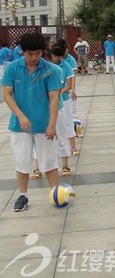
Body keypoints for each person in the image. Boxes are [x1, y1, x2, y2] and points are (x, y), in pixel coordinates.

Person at [2, 32, 63, 212]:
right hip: (20, 126)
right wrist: (20, 115)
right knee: (22, 161)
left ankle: (55, 193)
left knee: (49, 160)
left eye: (37, 53)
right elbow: (7, 94)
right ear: (23, 52)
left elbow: (54, 98)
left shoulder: (52, 70)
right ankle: (23, 195)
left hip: (44, 124)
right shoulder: (12, 69)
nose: (34, 57)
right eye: (30, 53)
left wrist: (52, 124)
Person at [50, 44, 75, 177]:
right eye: (54, 56)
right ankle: (38, 167)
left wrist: (58, 93)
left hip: (61, 101)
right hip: (45, 105)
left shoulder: (65, 66)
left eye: (59, 57)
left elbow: (69, 84)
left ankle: (65, 165)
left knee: (62, 132)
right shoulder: (45, 66)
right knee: (41, 138)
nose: (56, 59)